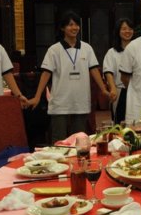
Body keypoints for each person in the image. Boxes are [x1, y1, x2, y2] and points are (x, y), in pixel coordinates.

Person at [27, 11, 111, 142]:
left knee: (80, 140)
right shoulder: (54, 50)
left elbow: (94, 70)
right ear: (62, 28)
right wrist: (37, 96)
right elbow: (46, 73)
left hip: (80, 100)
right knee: (59, 140)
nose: (74, 27)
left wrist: (104, 90)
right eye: (70, 25)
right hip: (60, 101)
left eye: (76, 24)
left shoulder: (87, 48)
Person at [103, 18, 135, 124]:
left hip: (137, 91)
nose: (127, 31)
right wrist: (113, 88)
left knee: (137, 122)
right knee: (119, 123)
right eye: (124, 29)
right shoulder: (112, 52)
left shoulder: (138, 50)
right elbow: (108, 72)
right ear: (118, 31)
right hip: (120, 91)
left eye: (130, 29)